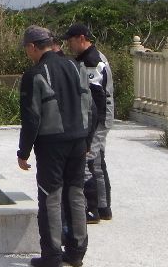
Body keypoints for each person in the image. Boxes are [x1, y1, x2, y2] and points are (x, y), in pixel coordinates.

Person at [18, 25, 90, 267]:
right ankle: (77, 252)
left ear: (32, 46)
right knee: (76, 193)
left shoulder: (35, 74)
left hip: (51, 145)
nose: (27, 52)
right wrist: (87, 139)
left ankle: (51, 256)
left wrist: (23, 152)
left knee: (51, 197)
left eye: (26, 48)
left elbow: (31, 118)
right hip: (78, 140)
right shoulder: (76, 66)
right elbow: (89, 105)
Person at [63, 23, 114, 223]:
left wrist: (90, 130)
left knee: (89, 160)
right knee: (98, 162)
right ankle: (103, 207)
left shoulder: (92, 61)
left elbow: (95, 97)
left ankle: (91, 210)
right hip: (102, 115)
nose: (69, 44)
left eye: (71, 40)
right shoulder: (94, 57)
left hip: (99, 117)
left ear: (81, 38)